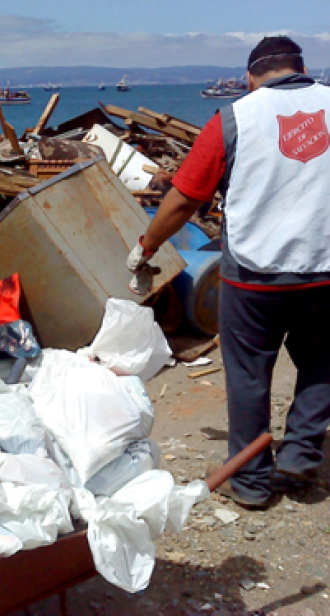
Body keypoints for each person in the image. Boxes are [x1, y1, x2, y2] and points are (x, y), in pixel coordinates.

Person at [126, 35, 330, 509]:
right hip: (325, 272)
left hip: (253, 277)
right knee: (322, 363)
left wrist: (147, 245)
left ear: (250, 76)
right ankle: (300, 456)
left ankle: (253, 483)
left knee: (249, 376)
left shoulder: (235, 118)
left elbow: (183, 199)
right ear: (301, 67)